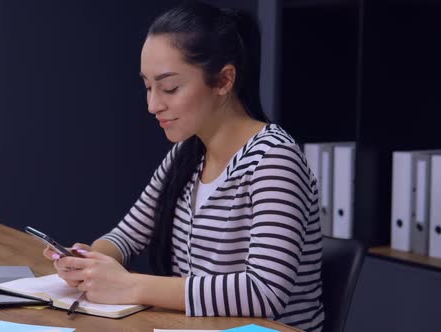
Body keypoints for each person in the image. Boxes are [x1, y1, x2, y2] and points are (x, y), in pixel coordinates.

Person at [44, 2, 324, 331]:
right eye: (148, 87)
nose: (153, 105)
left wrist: (131, 286)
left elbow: (264, 291)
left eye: (170, 88)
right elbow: (127, 236)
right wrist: (90, 261)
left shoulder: (274, 159)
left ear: (223, 80)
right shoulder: (185, 154)